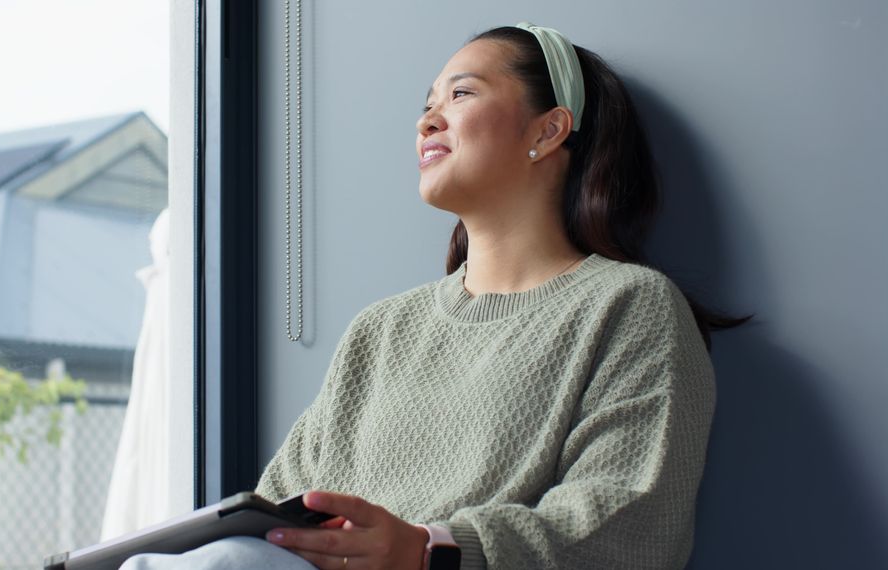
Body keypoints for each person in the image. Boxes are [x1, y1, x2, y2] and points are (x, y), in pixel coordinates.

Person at [122, 21, 749, 570]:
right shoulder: (382, 330)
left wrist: (431, 550)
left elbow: (632, 532)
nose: (427, 119)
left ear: (551, 128)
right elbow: (280, 509)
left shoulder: (629, 306)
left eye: (461, 93)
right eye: (426, 103)